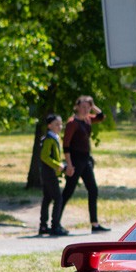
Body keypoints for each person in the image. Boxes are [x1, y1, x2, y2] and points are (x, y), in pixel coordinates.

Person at [61, 95, 110, 232]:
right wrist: (69, 164)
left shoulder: (88, 120)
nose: (85, 110)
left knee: (93, 190)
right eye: (82, 107)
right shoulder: (72, 123)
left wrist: (93, 105)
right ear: (76, 107)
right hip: (75, 160)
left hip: (85, 160)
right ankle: (55, 222)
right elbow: (66, 145)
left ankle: (94, 224)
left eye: (87, 107)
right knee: (68, 191)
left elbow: (101, 117)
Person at [38, 114, 69, 236]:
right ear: (49, 125)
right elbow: (44, 156)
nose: (59, 126)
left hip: (50, 173)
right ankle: (55, 225)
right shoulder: (49, 139)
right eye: (56, 124)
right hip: (49, 173)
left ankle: (43, 225)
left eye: (61, 124)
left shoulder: (54, 138)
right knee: (58, 198)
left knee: (47, 198)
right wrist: (57, 165)